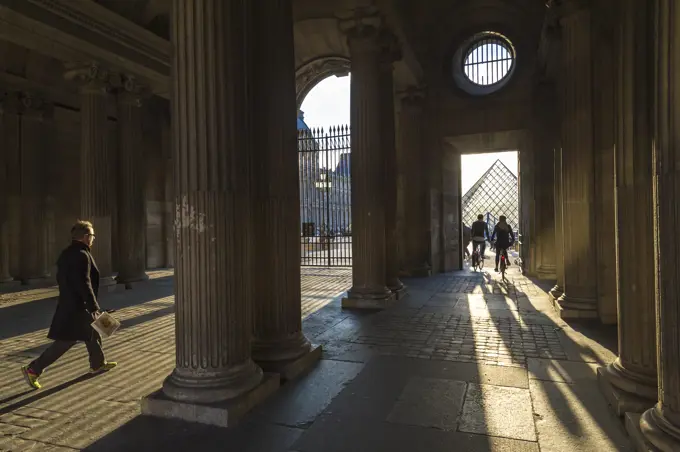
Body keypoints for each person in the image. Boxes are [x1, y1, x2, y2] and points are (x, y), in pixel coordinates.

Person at [21, 220, 117, 389]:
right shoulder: (82, 254)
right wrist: (93, 306)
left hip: (72, 303)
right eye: (93, 236)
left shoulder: (68, 253)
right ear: (86, 237)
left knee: (93, 331)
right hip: (77, 307)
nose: (94, 239)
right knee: (66, 341)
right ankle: (33, 369)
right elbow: (84, 282)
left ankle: (98, 363)